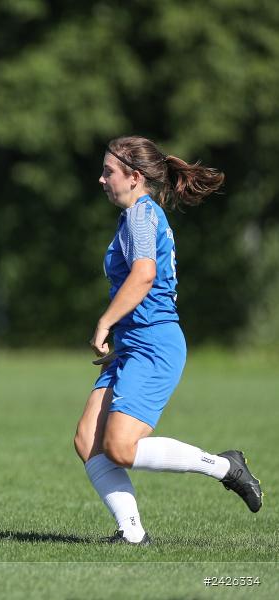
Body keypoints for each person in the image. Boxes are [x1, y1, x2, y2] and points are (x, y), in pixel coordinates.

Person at [73, 135, 262, 545]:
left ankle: (225, 467)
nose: (102, 179)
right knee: (89, 440)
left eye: (109, 172)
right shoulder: (135, 216)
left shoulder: (142, 215)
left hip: (154, 345)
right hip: (134, 344)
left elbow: (144, 276)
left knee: (121, 447)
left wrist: (105, 323)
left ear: (135, 177)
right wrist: (120, 337)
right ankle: (132, 534)